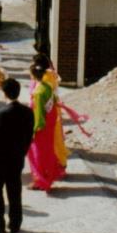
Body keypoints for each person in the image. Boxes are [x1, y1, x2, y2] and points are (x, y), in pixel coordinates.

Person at [0, 78, 34, 233]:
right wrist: (22, 152)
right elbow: (29, 136)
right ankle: (15, 223)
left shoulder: (0, 114)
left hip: (0, 160)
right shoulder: (28, 112)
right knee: (15, 191)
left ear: (4, 93)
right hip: (16, 158)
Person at [27, 61, 67, 192]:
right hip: (50, 124)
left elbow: (38, 114)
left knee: (37, 154)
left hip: (41, 127)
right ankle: (49, 175)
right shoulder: (48, 87)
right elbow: (54, 103)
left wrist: (34, 129)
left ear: (33, 75)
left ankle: (40, 180)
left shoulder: (38, 92)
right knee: (48, 151)